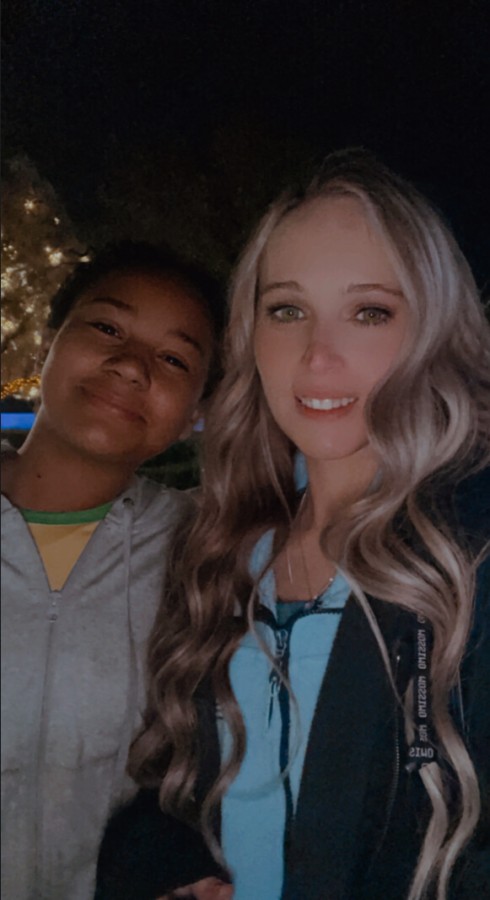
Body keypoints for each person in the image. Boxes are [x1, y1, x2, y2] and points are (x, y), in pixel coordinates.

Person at [96, 151, 490, 900]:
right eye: (287, 310)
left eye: (369, 312)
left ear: (434, 329)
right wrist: (168, 869)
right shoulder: (222, 544)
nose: (317, 355)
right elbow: (171, 790)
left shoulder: (469, 555)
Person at [1, 240, 223, 900]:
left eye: (174, 359)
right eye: (106, 328)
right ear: (47, 344)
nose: (129, 366)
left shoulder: (207, 553)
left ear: (196, 414)